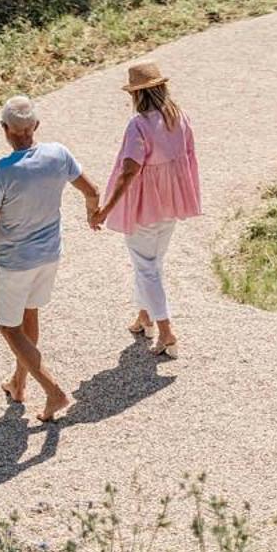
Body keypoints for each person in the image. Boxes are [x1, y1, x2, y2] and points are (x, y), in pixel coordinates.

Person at [0, 94, 100, 423]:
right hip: (50, 255)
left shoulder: (3, 171)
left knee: (8, 328)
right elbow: (92, 191)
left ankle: (54, 392)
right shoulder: (58, 154)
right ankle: (18, 384)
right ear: (35, 126)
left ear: (5, 129)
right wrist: (93, 216)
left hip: (15, 262)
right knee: (29, 316)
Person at [91, 61, 201, 359]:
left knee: (146, 267)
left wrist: (105, 209)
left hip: (143, 207)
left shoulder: (138, 124)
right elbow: (188, 160)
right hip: (170, 203)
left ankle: (166, 332)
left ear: (137, 95)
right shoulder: (180, 119)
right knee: (152, 263)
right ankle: (144, 317)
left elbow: (129, 170)